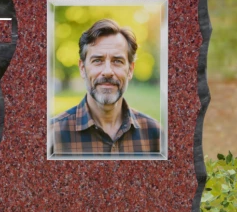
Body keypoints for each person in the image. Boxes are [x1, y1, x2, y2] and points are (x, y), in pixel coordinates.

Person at [49, 18, 160, 157]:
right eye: (97, 60)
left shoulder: (155, 135)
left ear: (130, 70)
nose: (107, 71)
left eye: (117, 61)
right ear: (82, 68)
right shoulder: (52, 136)